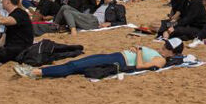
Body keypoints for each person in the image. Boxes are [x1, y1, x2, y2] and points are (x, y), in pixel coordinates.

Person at [16, 37, 184, 78]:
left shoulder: (161, 60)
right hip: (117, 56)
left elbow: (140, 67)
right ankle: (38, 71)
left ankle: (35, 72)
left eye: (168, 47)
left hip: (119, 60)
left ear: (173, 53)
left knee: (75, 66)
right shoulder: (159, 54)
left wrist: (139, 50)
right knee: (77, 65)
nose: (164, 47)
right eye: (165, 44)